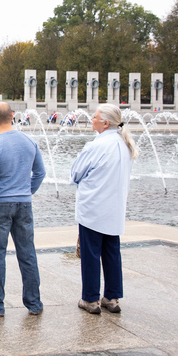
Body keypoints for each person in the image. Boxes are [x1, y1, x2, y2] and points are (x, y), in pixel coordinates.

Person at [0, 102, 46, 317]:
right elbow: (40, 173)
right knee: (27, 254)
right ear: (13, 116)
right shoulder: (29, 142)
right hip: (24, 204)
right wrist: (27, 191)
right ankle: (34, 304)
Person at [70, 103, 138, 314]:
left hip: (94, 207)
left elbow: (76, 173)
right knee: (111, 253)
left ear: (105, 123)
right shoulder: (125, 144)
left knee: (91, 254)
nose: (92, 120)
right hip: (114, 208)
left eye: (95, 117)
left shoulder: (96, 146)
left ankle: (90, 299)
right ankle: (112, 297)